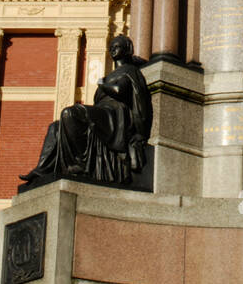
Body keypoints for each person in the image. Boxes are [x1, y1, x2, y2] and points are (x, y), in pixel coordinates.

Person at [18, 35, 152, 189]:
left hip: (115, 115)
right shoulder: (111, 75)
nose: (112, 49)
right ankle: (42, 170)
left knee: (70, 113)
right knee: (55, 127)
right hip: (103, 112)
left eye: (117, 46)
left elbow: (119, 89)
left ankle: (79, 165)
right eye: (111, 47)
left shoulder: (130, 70)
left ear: (127, 49)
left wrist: (102, 83)